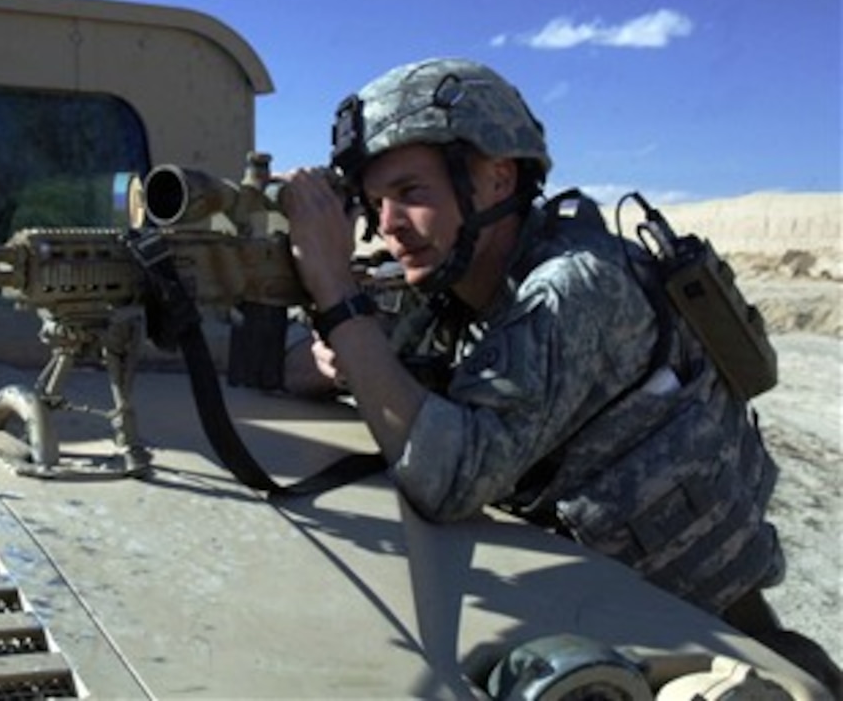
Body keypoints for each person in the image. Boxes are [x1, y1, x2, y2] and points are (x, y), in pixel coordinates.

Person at [279, 57, 840, 693]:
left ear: (495, 180)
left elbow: (449, 476)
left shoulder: (581, 287)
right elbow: (318, 363)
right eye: (375, 202)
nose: (387, 225)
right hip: (596, 616)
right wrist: (338, 355)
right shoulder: (458, 284)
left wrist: (334, 290)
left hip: (709, 641)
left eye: (411, 193)